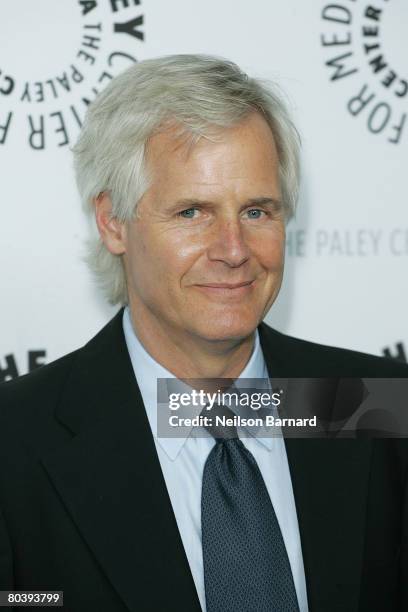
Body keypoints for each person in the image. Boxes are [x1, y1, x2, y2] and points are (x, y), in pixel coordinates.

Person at [0, 54, 407, 612]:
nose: (234, 250)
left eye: (258, 211)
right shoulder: (15, 441)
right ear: (113, 222)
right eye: (193, 212)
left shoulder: (376, 406)